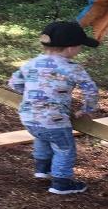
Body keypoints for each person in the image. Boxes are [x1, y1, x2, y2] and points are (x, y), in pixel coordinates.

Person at [8, 21, 99, 195]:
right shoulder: (73, 68)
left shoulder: (31, 63)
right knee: (64, 148)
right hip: (54, 119)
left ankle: (42, 169)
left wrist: (30, 96)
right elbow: (91, 90)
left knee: (42, 138)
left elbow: (14, 83)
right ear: (71, 48)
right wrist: (87, 109)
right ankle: (62, 183)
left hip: (28, 117)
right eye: (80, 46)